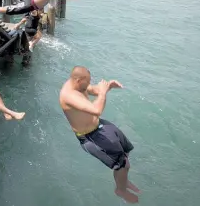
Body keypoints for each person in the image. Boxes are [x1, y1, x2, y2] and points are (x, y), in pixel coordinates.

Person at [59, 66, 140, 204]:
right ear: (78, 80)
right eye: (88, 81)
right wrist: (103, 93)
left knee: (125, 151)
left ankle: (123, 180)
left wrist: (108, 87)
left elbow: (95, 90)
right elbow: (97, 110)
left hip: (99, 126)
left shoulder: (78, 84)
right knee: (121, 163)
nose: (89, 84)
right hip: (90, 136)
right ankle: (120, 190)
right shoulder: (68, 95)